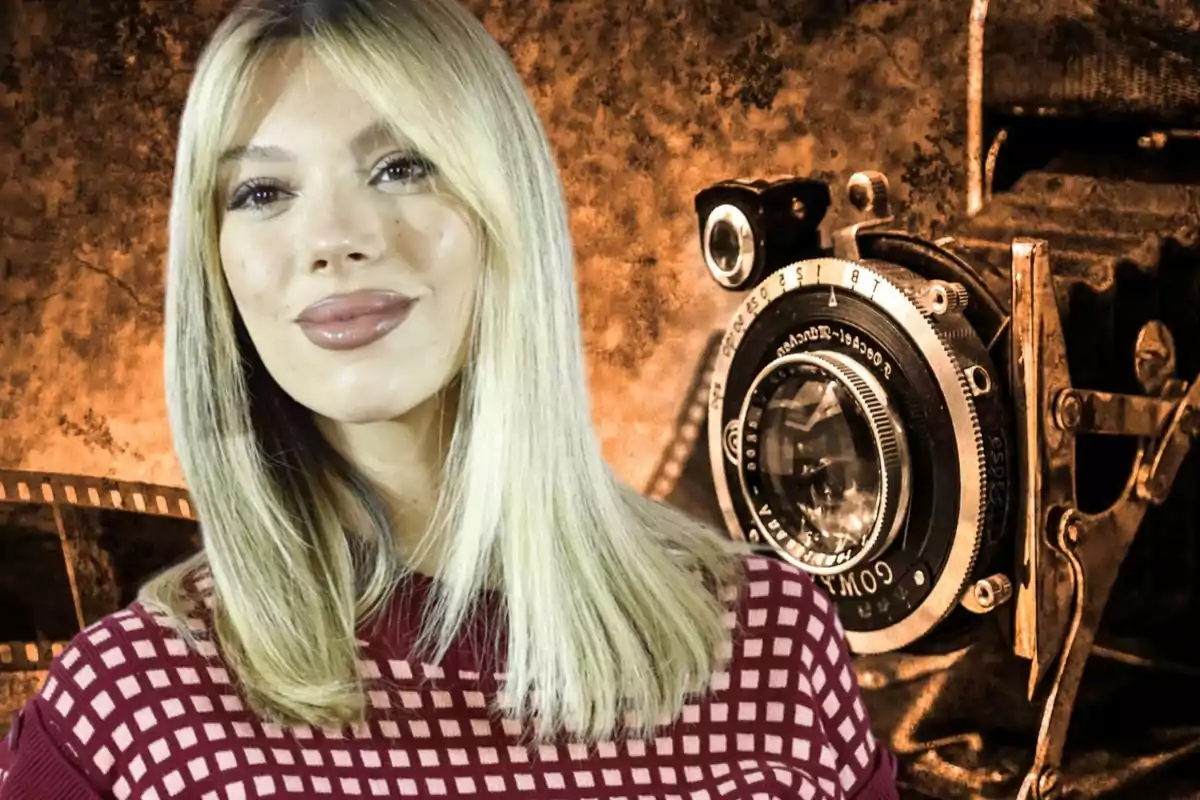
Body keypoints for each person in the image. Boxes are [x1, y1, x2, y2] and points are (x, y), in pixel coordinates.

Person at [0, 0, 900, 797]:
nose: (335, 239)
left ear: (505, 211)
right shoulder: (128, 714)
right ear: (218, 266)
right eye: (263, 190)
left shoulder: (771, 644)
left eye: (400, 167)